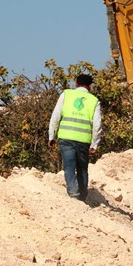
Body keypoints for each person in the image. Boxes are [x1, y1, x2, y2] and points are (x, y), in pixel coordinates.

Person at [48, 74, 102, 202]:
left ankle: (73, 194)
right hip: (83, 140)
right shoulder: (94, 101)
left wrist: (51, 136)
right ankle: (82, 196)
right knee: (82, 168)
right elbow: (97, 125)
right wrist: (94, 144)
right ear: (90, 86)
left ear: (76, 83)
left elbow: (55, 116)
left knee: (69, 166)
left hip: (66, 138)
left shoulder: (66, 95)